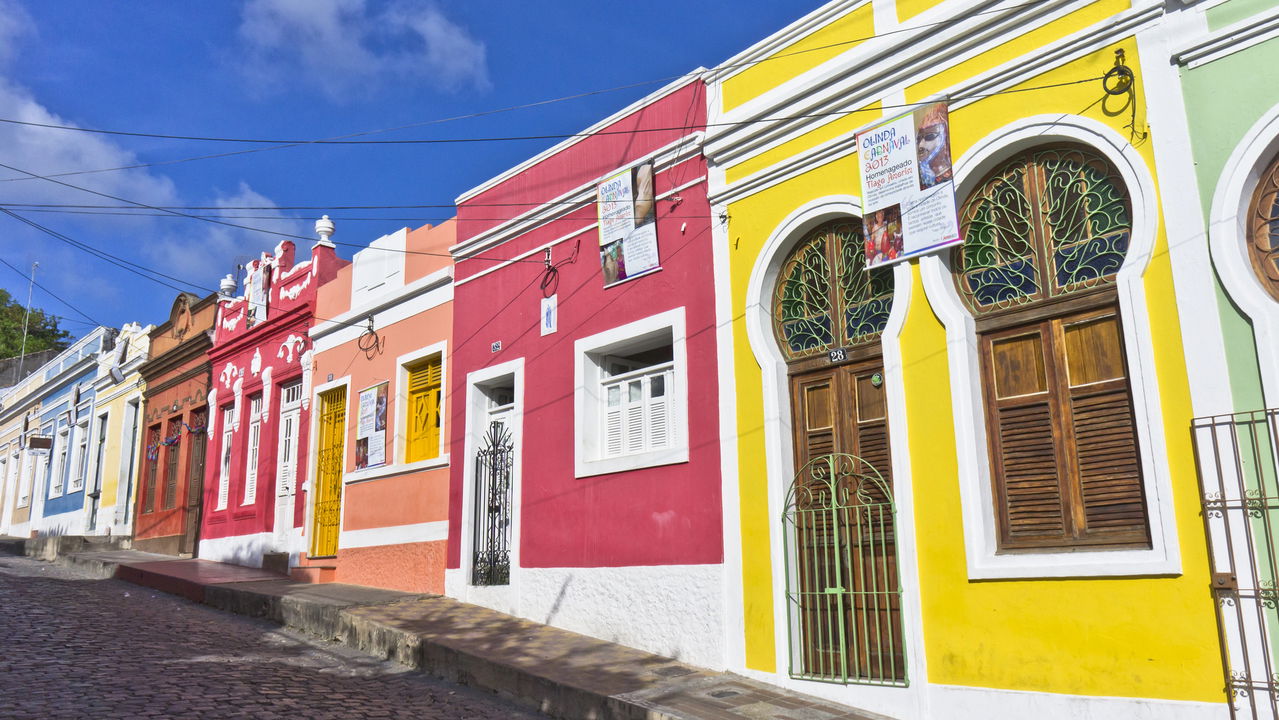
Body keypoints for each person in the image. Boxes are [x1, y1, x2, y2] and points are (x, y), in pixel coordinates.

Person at [916, 104, 953, 188]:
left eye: (930, 136)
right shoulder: (920, 181)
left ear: (945, 138)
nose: (920, 145)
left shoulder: (956, 171)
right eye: (918, 139)